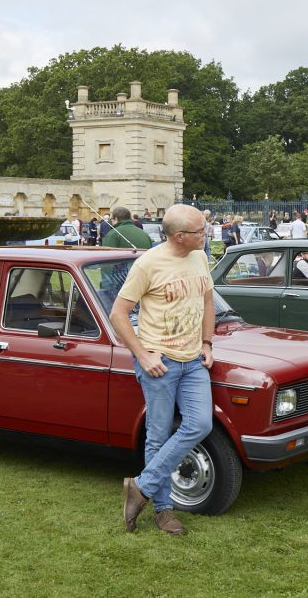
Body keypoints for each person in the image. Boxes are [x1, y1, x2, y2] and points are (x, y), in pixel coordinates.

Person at [112, 204, 214, 536]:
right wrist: (142, 355)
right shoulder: (148, 264)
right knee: (157, 436)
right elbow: (118, 314)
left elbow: (208, 300)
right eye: (200, 231)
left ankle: (140, 486)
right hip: (160, 362)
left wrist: (207, 342)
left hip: (193, 361)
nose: (206, 234)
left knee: (199, 423)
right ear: (180, 236)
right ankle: (164, 510)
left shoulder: (199, 256)